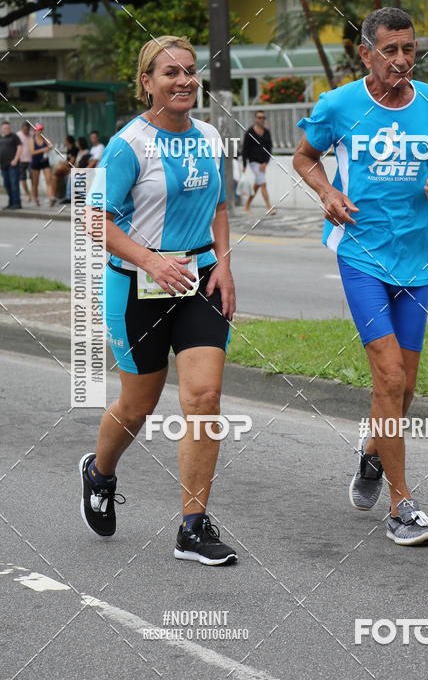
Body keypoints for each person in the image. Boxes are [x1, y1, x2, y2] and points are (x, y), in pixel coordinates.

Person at [293, 7, 428, 547]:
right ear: (365, 52)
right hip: (361, 253)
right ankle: (401, 505)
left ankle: (371, 456)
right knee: (389, 377)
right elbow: (304, 157)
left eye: (409, 50)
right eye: (389, 51)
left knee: (406, 387)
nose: (400, 61)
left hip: (415, 259)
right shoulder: (340, 104)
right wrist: (327, 192)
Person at [81, 34, 237, 566]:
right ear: (147, 83)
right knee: (137, 406)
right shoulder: (129, 144)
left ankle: (193, 526)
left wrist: (226, 265)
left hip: (199, 283)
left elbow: (218, 206)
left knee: (203, 398)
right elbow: (93, 219)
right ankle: (99, 472)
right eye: (170, 72)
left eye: (190, 71)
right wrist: (150, 260)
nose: (184, 81)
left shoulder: (211, 136)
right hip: (138, 289)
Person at [242, 110, 275, 214]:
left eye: (263, 118)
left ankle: (247, 204)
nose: (261, 120)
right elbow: (245, 149)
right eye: (259, 117)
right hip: (253, 162)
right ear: (255, 119)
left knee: (258, 184)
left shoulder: (266, 132)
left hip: (263, 163)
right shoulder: (250, 132)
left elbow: (269, 148)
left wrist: (265, 162)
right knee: (263, 183)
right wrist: (244, 165)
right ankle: (269, 207)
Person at [30, 123, 53, 206]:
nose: (40, 131)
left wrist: (49, 146)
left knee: (48, 180)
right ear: (35, 131)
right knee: (35, 182)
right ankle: (36, 199)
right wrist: (44, 149)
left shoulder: (44, 139)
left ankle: (51, 199)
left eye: (41, 129)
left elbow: (50, 145)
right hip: (36, 162)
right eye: (39, 130)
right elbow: (32, 152)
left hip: (44, 161)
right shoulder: (32, 140)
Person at [0, 120, 22, 209]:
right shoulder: (0, 138)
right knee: (7, 184)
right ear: (1, 129)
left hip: (13, 164)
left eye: (8, 128)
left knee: (14, 183)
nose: (7, 129)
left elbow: (20, 148)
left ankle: (17, 203)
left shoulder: (14, 137)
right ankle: (11, 202)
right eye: (5, 128)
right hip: (3, 165)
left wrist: (15, 159)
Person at [50, 135, 77, 205]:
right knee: (55, 177)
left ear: (68, 141)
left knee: (58, 169)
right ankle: (53, 197)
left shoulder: (74, 149)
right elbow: (68, 161)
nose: (64, 142)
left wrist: (63, 163)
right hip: (67, 169)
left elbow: (71, 163)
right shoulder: (68, 149)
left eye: (65, 140)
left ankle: (56, 196)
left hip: (72, 169)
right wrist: (63, 163)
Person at [17, 121, 32, 203]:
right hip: (21, 160)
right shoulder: (18, 135)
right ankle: (27, 194)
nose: (26, 131)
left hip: (31, 160)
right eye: (24, 130)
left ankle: (33, 192)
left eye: (27, 130)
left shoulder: (31, 135)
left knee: (32, 177)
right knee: (23, 178)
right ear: (22, 128)